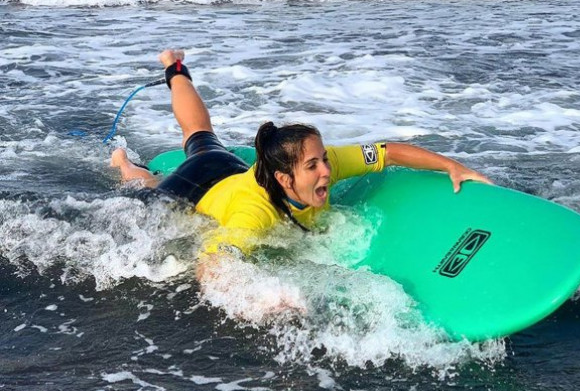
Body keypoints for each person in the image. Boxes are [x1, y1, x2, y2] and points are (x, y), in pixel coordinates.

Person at [111, 49, 492, 267]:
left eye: (323, 159)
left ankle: (175, 68)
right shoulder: (254, 214)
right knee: (149, 193)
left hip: (228, 168)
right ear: (283, 178)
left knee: (201, 133)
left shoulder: (322, 166)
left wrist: (451, 166)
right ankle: (127, 164)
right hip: (195, 189)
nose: (327, 170)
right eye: (313, 166)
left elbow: (389, 151)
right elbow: (213, 262)